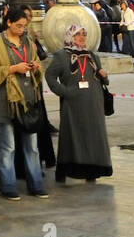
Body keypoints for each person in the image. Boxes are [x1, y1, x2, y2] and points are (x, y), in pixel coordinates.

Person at [0, 6, 47, 201]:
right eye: (18, 26)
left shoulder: (27, 42)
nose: (22, 30)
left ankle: (36, 184)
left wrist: (36, 67)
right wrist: (12, 69)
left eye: (24, 26)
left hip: (28, 100)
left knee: (32, 146)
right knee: (8, 146)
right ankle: (8, 185)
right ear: (8, 23)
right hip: (6, 102)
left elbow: (38, 62)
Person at [45, 24, 113, 185]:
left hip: (94, 103)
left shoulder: (91, 56)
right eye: (77, 35)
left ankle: (93, 170)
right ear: (70, 36)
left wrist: (105, 76)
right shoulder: (62, 56)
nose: (82, 37)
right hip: (73, 104)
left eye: (84, 34)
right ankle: (65, 170)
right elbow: (50, 76)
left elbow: (104, 79)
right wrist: (65, 92)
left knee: (93, 136)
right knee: (71, 136)